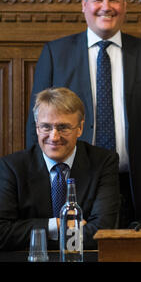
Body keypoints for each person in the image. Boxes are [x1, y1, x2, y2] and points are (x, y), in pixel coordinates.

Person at [25, 0, 141, 228]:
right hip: (74, 184)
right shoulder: (55, 54)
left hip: (134, 188)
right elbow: (35, 128)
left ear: (124, 5)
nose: (106, 7)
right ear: (84, 5)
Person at [0, 87, 119, 250]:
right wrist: (55, 225)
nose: (54, 137)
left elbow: (102, 232)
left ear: (80, 128)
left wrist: (35, 234)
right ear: (36, 127)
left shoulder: (103, 162)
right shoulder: (12, 167)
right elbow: (2, 233)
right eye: (46, 127)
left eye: (63, 127)